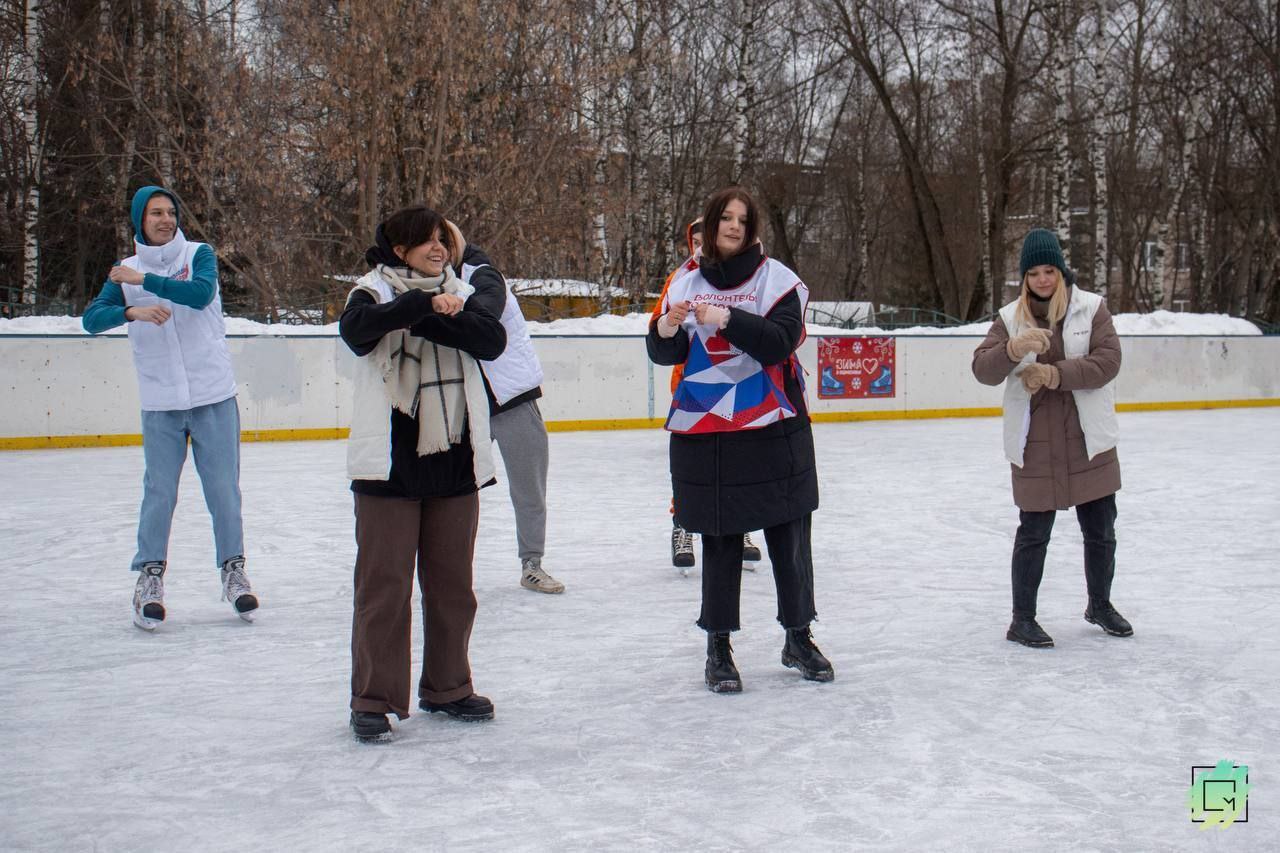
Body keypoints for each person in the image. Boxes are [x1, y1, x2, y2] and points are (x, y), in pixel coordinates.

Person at [646, 186, 834, 693]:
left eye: (742, 220)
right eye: (724, 218)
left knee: (788, 537)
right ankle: (719, 647)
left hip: (775, 428)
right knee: (721, 539)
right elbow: (664, 354)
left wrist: (727, 317)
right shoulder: (684, 280)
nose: (733, 226)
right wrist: (665, 327)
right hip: (707, 430)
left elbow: (779, 342)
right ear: (709, 224)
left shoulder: (778, 281)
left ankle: (799, 636)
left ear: (753, 230)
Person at [339, 205, 506, 740]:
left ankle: (448, 686)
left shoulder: (463, 290)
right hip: (390, 466)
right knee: (384, 588)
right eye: (426, 240)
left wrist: (434, 313)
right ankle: (373, 697)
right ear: (398, 248)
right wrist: (417, 305)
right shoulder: (372, 290)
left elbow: (489, 340)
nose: (439, 247)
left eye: (442, 239)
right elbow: (358, 332)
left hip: (455, 459)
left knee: (454, 587)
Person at [82, 185, 257, 631]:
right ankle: (150, 578)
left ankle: (233, 572)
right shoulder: (125, 271)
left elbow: (199, 295)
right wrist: (130, 313)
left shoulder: (198, 254)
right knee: (159, 493)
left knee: (223, 491)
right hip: (161, 403)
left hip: (213, 395)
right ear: (140, 220)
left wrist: (146, 284)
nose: (165, 219)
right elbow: (91, 320)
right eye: (155, 213)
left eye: (171, 212)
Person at [972, 228, 1132, 648]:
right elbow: (982, 370)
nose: (1043, 279)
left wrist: (1055, 374)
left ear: (1061, 271)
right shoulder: (1009, 319)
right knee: (1033, 533)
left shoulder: (1092, 308)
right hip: (1036, 444)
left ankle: (1100, 604)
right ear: (1024, 278)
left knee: (1101, 529)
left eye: (1049, 270)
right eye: (1034, 273)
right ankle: (1021, 620)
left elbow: (1108, 361)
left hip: (1088, 438)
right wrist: (1011, 349)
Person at [445, 222, 564, 594]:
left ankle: (533, 563)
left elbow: (487, 313)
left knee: (528, 488)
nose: (437, 250)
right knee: (454, 490)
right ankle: (447, 567)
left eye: (444, 243)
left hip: (511, 400)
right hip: (463, 405)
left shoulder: (481, 273)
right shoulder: (428, 283)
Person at [650, 218, 762, 574]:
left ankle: (739, 526)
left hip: (738, 383)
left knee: (738, 461)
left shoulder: (749, 279)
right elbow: (659, 327)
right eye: (696, 240)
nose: (701, 246)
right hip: (692, 387)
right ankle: (682, 524)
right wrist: (668, 322)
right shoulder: (683, 279)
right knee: (692, 469)